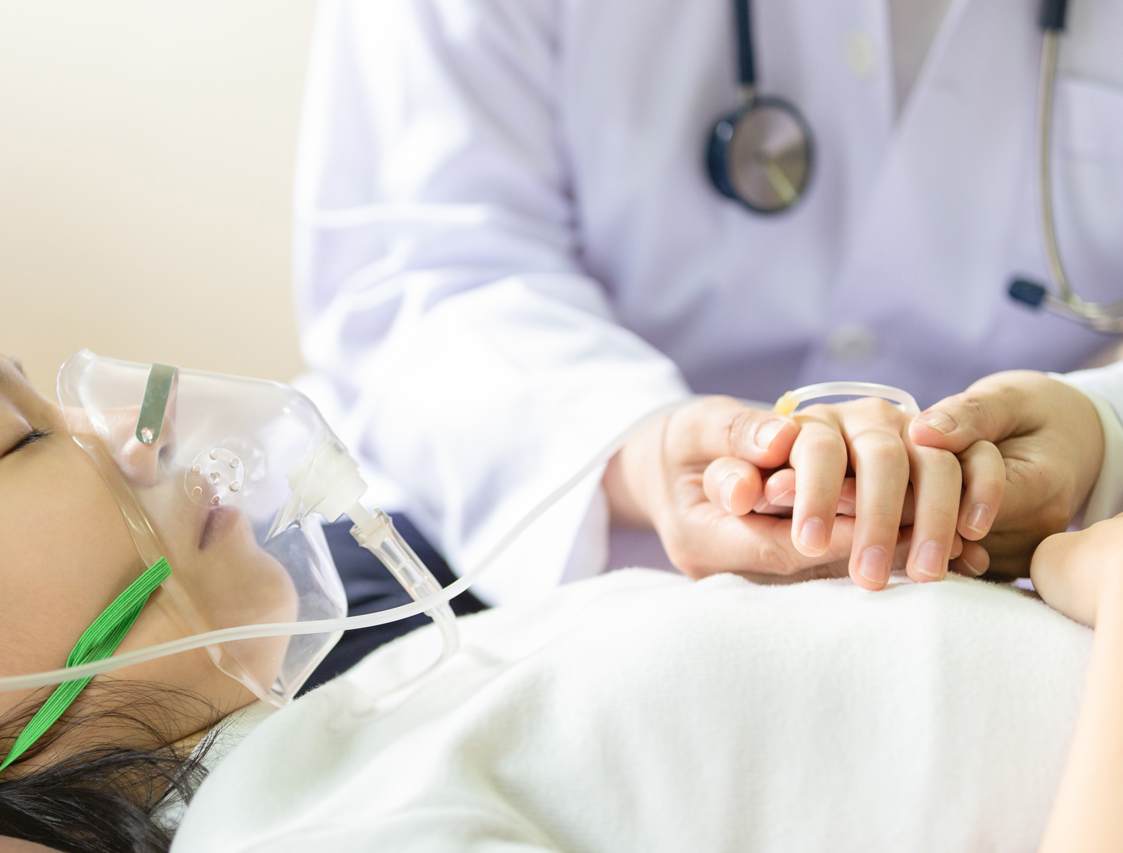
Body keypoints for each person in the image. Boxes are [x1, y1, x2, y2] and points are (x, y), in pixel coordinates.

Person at [0, 307, 1120, 853]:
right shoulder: (305, 838)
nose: (124, 429)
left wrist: (996, 517)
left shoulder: (380, 709)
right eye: (17, 438)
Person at [292, 0, 1123, 607]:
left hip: (1006, 566)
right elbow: (420, 270)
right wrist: (636, 447)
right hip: (507, 533)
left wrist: (1099, 432)